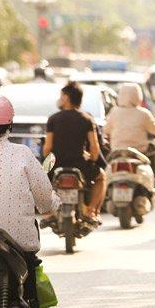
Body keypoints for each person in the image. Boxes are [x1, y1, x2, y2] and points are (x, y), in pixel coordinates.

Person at [0, 93, 60, 308]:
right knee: (30, 261)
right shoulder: (23, 154)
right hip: (14, 239)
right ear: (10, 123)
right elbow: (45, 200)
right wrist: (52, 206)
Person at [43, 82, 106, 222]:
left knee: (40, 178)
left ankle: (48, 212)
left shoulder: (53, 118)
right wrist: (91, 159)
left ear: (66, 97)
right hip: (80, 165)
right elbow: (95, 149)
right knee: (101, 177)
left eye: (61, 95)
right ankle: (91, 211)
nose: (59, 99)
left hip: (56, 164)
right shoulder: (87, 119)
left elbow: (47, 148)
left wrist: (47, 159)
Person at [103, 83, 155, 188]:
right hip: (140, 154)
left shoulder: (114, 112)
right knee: (154, 159)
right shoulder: (144, 114)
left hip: (116, 153)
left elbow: (106, 130)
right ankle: (154, 189)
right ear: (138, 95)